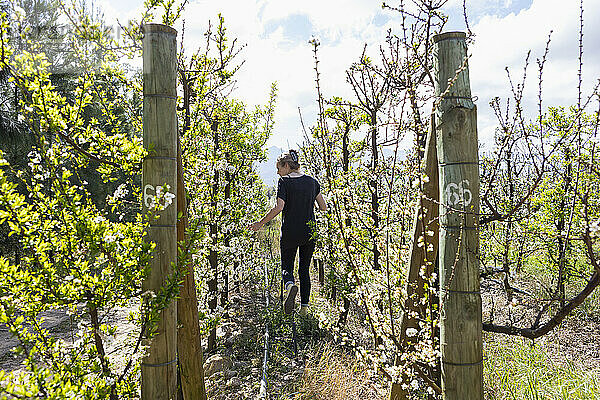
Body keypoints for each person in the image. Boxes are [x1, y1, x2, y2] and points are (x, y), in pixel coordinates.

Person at [250, 150, 326, 316]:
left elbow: (279, 207)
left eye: (278, 168)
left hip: (290, 231)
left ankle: (290, 286)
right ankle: (304, 309)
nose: (277, 172)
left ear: (286, 166)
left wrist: (260, 223)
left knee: (287, 266)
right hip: (309, 232)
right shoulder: (312, 182)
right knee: (304, 269)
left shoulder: (284, 182)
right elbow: (323, 207)